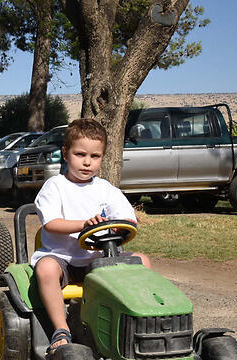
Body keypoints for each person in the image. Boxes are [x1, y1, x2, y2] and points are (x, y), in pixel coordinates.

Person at [31, 118, 152, 355]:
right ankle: (61, 330)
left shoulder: (106, 189)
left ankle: (139, 321)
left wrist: (119, 228)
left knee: (142, 261)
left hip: (99, 258)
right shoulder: (55, 186)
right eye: (80, 154)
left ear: (102, 157)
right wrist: (84, 225)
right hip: (62, 258)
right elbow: (52, 223)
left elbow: (128, 220)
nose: (87, 162)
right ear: (65, 154)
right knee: (45, 269)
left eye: (95, 157)